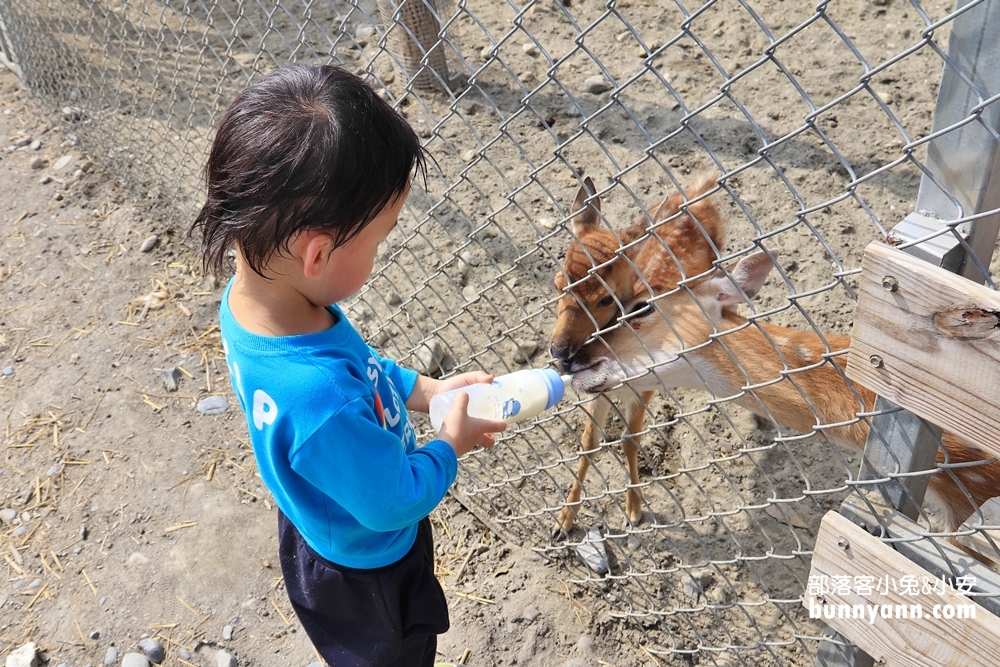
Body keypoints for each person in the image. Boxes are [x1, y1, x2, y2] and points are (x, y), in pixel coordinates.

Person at [191, 62, 506, 667]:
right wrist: (449, 445)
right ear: (316, 253)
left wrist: (426, 388)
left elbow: (361, 366)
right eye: (380, 238)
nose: (381, 249)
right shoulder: (321, 399)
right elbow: (391, 501)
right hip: (368, 570)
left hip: (321, 514)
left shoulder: (256, 301)